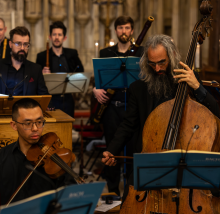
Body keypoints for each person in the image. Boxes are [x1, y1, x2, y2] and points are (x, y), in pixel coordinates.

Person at [101, 34, 220, 201]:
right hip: (150, 160)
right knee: (129, 201)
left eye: (161, 62)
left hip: (183, 160)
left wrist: (197, 87)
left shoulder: (187, 81)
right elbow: (128, 125)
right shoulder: (138, 89)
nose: (157, 69)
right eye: (152, 64)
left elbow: (215, 113)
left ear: (171, 57)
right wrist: (111, 150)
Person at [93, 16, 144, 196]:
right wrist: (95, 90)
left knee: (133, 149)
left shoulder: (141, 52)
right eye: (120, 28)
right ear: (116, 30)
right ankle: (113, 190)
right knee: (111, 149)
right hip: (112, 109)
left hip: (133, 108)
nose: (124, 31)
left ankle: (131, 190)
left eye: (127, 28)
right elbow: (99, 81)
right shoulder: (106, 53)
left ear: (132, 30)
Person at [0, 98, 76, 206]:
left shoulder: (54, 158)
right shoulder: (2, 157)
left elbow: (71, 195)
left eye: (39, 122)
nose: (35, 128)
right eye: (28, 123)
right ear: (14, 125)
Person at [36, 21, 84, 117]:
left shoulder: (72, 54)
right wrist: (41, 73)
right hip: (50, 101)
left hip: (68, 99)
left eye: (59, 35)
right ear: (50, 37)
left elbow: (80, 71)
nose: (57, 37)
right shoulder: (41, 56)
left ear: (64, 38)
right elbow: (35, 78)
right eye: (54, 34)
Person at [0, 26, 49, 96]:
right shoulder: (0, 66)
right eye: (18, 44)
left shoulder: (36, 69)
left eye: (25, 44)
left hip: (26, 106)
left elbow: (44, 95)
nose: (22, 48)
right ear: (10, 44)